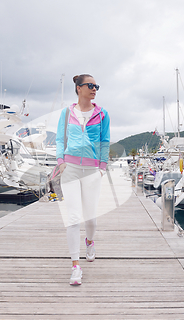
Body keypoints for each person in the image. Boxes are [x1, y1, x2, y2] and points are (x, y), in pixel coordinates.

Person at [55, 74, 110, 285]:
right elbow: (60, 138)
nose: (94, 88)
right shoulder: (67, 112)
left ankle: (90, 241)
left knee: (91, 218)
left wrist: (102, 167)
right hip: (70, 168)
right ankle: (75, 266)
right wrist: (61, 161)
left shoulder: (102, 114)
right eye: (90, 85)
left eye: (96, 85)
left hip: (92, 170)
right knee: (73, 217)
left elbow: (105, 141)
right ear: (79, 88)